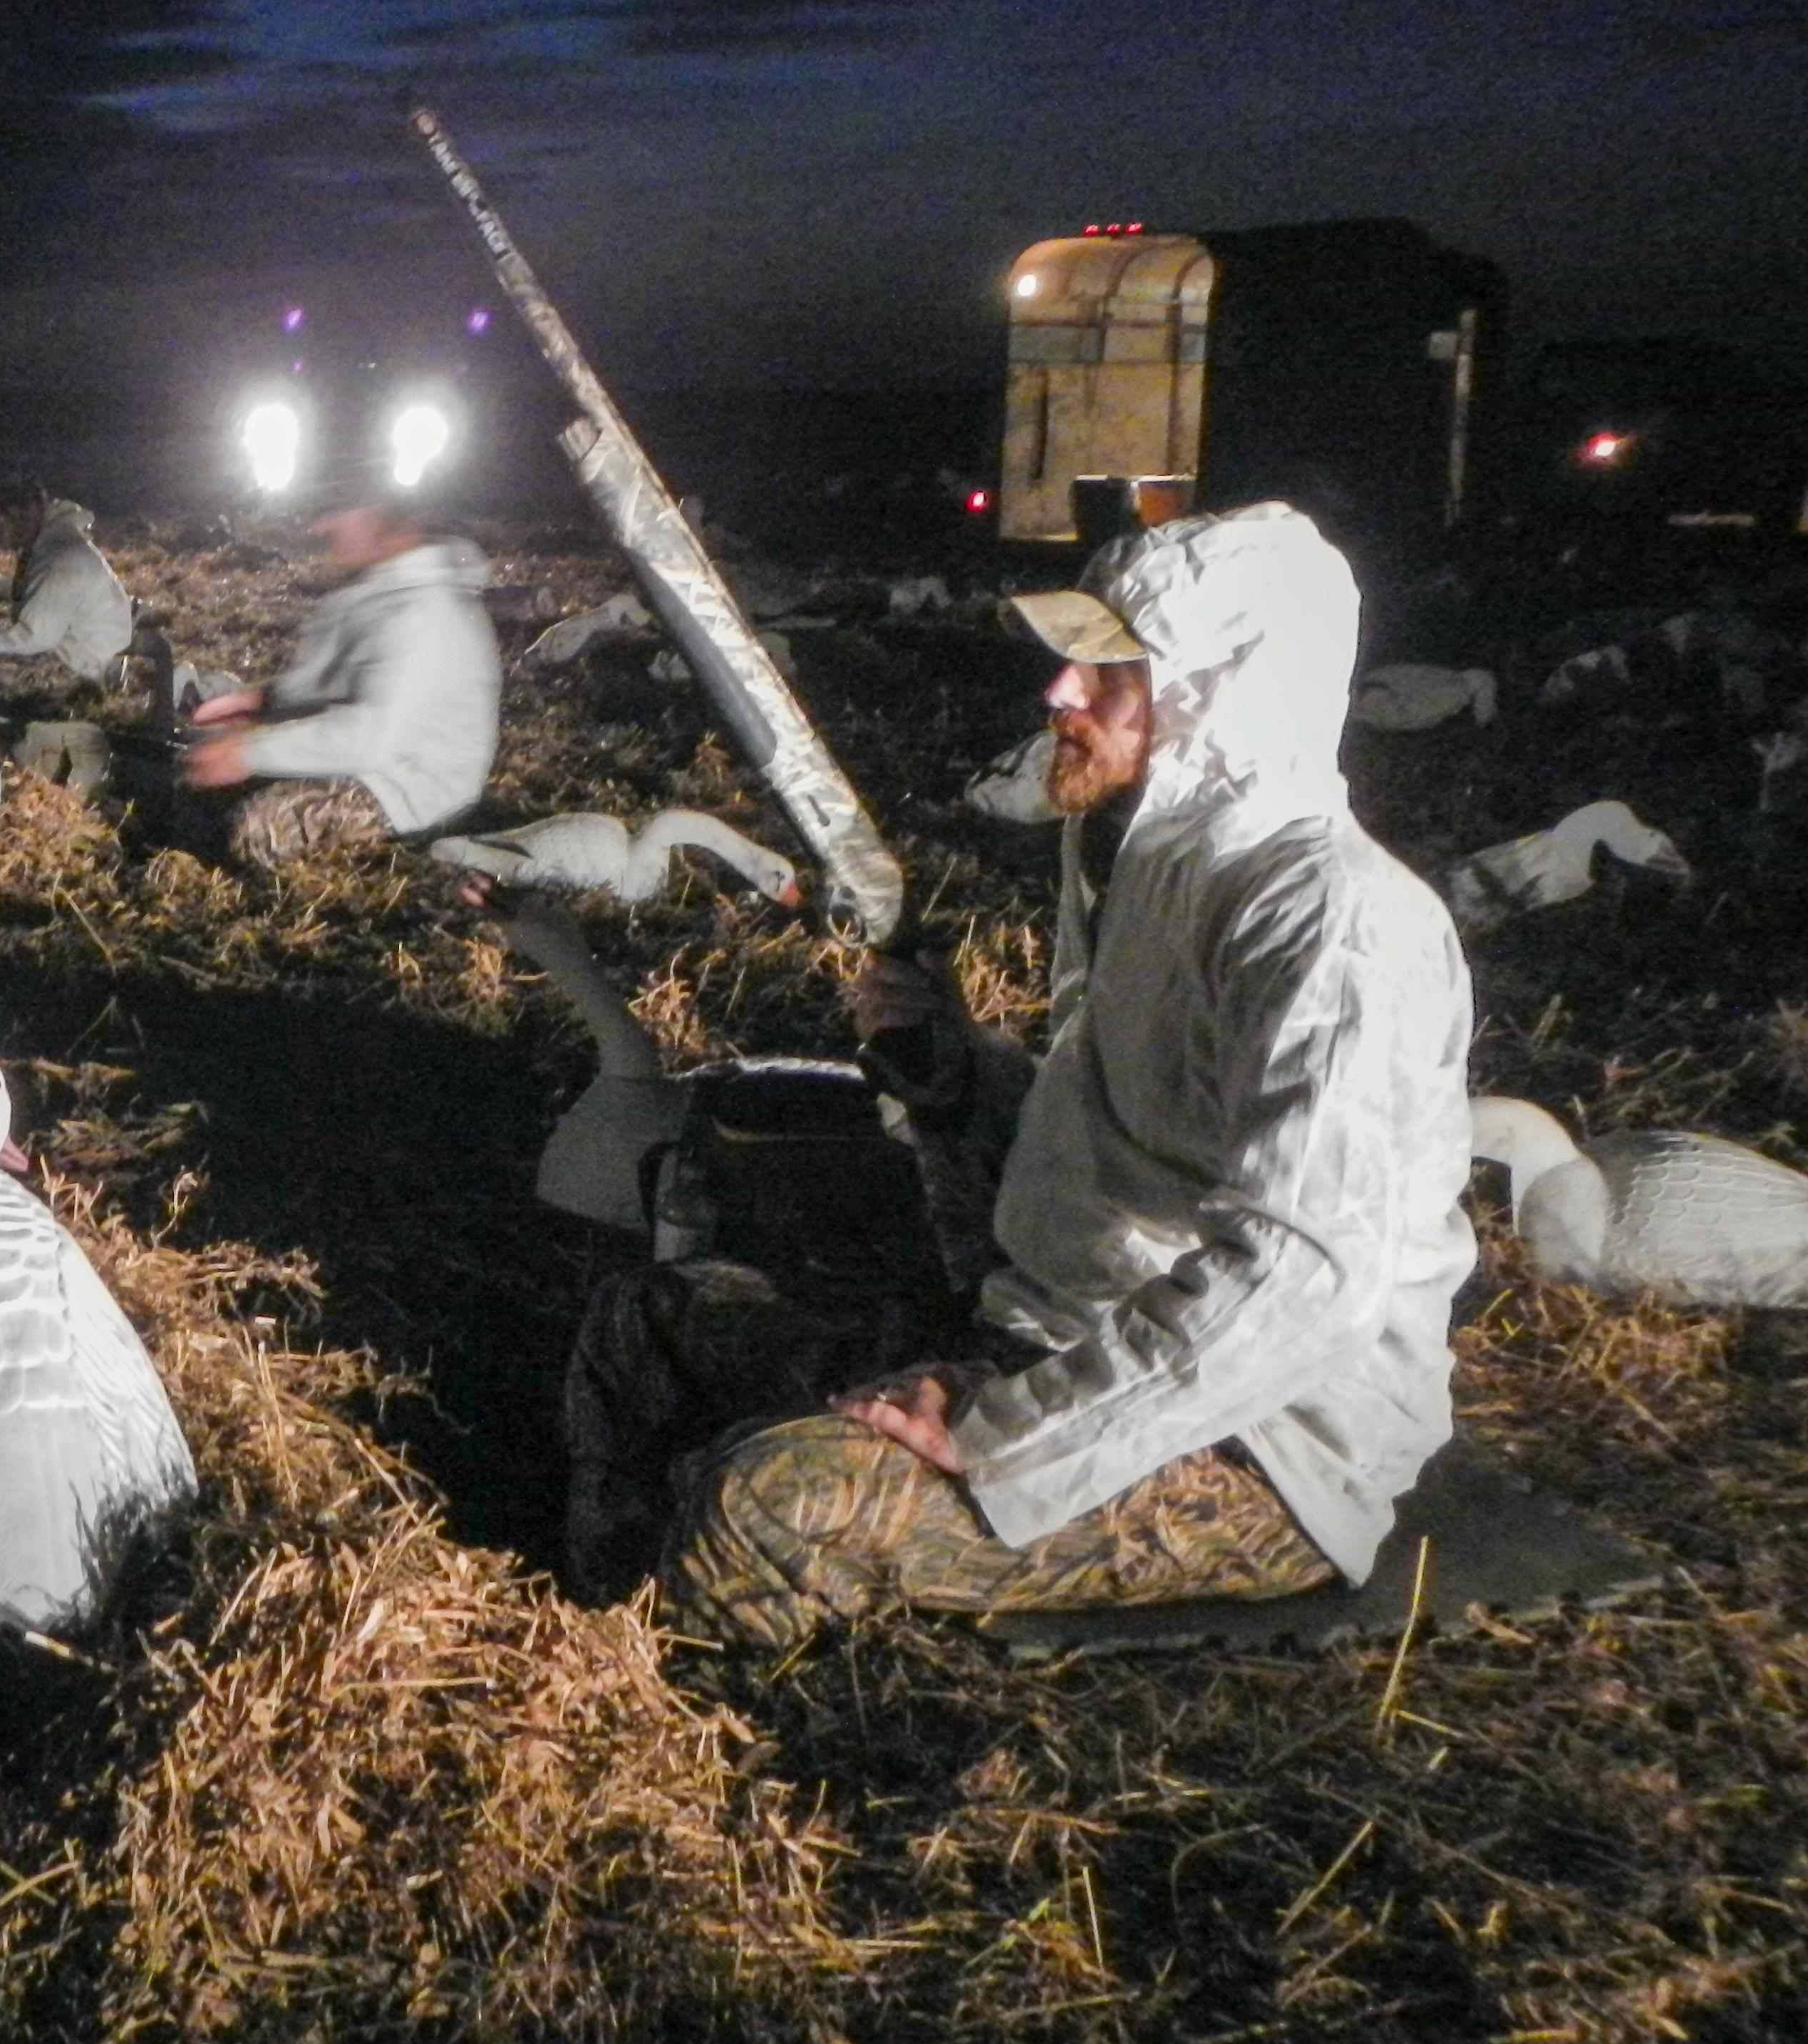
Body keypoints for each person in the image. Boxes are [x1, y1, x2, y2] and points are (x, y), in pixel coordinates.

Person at [565, 501, 1477, 1646]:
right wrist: (960, 1076)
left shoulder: (1332, 926)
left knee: (762, 1510)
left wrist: (1000, 1431)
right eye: (1074, 663)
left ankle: (697, 1727)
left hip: (1255, 1439)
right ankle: (584, 1624)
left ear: (1221, 694)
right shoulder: (1137, 855)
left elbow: (1299, 1284)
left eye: (1113, 674)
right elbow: (1125, 1136)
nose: (1061, 694)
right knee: (645, 1323)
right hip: (1061, 1337)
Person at [178, 481, 500, 871]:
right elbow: (332, 684)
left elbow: (371, 735)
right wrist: (263, 703)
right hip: (360, 758)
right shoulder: (379, 591)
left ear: (390, 525)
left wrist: (249, 754)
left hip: (408, 786)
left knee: (261, 830)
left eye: (340, 513)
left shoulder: (425, 612)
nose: (322, 527)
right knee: (194, 773)